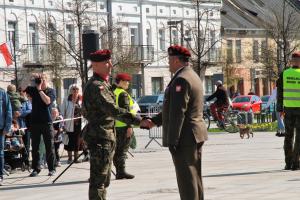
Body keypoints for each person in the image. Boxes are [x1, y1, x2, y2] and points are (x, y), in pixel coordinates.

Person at [81, 49, 147, 200]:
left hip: (105, 136)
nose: (110, 65)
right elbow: (113, 110)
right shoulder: (97, 86)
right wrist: (139, 121)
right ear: (96, 65)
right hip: (100, 137)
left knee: (104, 180)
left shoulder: (103, 84)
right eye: (106, 62)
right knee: (99, 182)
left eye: (110, 61)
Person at [148, 45, 208, 200]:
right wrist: (154, 121)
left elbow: (177, 112)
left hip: (185, 136)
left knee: (186, 178)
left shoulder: (181, 79)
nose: (168, 63)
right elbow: (174, 109)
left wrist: (173, 140)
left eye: (169, 59)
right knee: (194, 176)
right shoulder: (192, 75)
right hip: (195, 133)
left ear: (175, 60)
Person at [25, 73, 57, 177]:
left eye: (42, 80)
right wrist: (30, 78)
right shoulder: (34, 89)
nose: (40, 81)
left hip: (46, 122)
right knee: (35, 147)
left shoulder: (51, 91)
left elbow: (47, 101)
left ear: (46, 80)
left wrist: (40, 90)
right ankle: (36, 168)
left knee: (49, 146)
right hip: (35, 122)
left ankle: (52, 168)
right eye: (39, 80)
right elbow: (22, 88)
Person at [277, 51, 300, 170]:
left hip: (288, 109)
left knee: (288, 136)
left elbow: (279, 93)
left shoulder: (284, 74)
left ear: (292, 61)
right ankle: (296, 163)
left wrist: (280, 109)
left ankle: (288, 162)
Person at [113, 73, 137, 179]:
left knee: (117, 150)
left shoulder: (113, 92)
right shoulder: (123, 94)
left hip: (115, 126)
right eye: (126, 81)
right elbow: (126, 112)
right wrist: (129, 126)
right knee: (122, 151)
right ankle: (120, 172)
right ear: (121, 82)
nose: (128, 83)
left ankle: (119, 171)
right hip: (123, 126)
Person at [61, 84, 84, 164]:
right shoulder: (66, 100)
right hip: (69, 124)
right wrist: (63, 124)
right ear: (71, 90)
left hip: (79, 124)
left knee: (77, 141)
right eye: (74, 89)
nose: (75, 91)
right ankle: (70, 158)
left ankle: (76, 158)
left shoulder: (81, 100)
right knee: (69, 142)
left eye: (77, 89)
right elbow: (62, 113)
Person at [17, 88, 32, 168]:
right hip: (18, 126)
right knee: (18, 144)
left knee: (26, 144)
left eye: (22, 92)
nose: (21, 93)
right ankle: (19, 162)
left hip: (26, 126)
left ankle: (26, 162)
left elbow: (30, 110)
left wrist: (21, 113)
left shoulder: (27, 102)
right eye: (19, 92)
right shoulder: (16, 101)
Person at [0, 88, 12, 186]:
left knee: (0, 152)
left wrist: (7, 127)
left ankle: (0, 175)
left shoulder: (2, 93)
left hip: (0, 128)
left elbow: (8, 110)